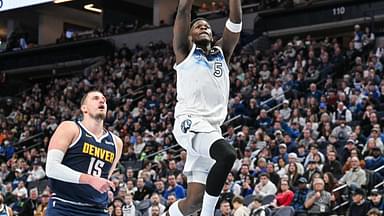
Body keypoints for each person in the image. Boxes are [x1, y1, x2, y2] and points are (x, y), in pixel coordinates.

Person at [167, 0, 242, 215]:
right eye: (198, 26)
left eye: (207, 26)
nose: (204, 27)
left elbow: (235, 21)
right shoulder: (184, 51)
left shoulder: (222, 53)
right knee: (227, 155)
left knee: (194, 202)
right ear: (189, 35)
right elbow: (183, 10)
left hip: (211, 129)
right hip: (189, 122)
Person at [45, 91, 123, 216]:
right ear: (84, 108)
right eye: (95, 98)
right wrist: (90, 180)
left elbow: (104, 177)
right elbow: (51, 168)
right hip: (65, 206)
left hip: (97, 209)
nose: (102, 101)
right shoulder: (70, 128)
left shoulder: (116, 142)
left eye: (104, 99)